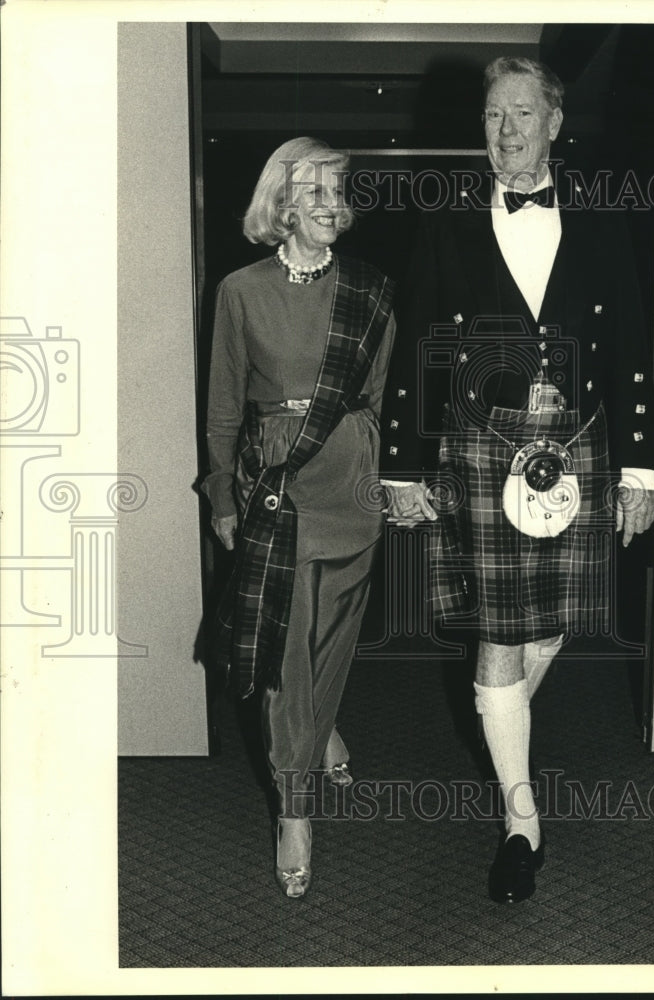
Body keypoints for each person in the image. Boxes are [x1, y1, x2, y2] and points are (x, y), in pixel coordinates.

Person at [380, 56, 654, 903]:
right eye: (494, 116)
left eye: (523, 114)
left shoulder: (606, 223)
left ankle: (496, 722)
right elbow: (416, 343)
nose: (507, 131)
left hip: (579, 444)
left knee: (554, 624)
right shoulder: (446, 224)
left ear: (554, 124)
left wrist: (641, 467)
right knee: (500, 634)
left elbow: (634, 352)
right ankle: (519, 819)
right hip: (478, 445)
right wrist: (401, 465)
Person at [203, 137, 395, 899]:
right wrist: (222, 491)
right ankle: (295, 807)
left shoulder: (373, 289)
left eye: (337, 190)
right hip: (275, 486)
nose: (330, 205)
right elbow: (222, 406)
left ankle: (322, 729)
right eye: (312, 191)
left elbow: (380, 399)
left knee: (333, 634)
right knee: (285, 650)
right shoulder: (239, 291)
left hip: (348, 476)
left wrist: (383, 478)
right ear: (279, 202)